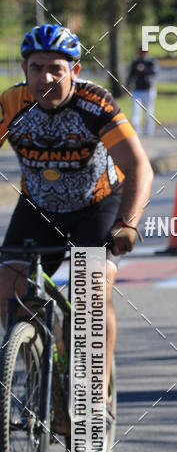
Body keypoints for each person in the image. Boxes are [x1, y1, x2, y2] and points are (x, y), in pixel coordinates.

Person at [0, 24, 153, 421]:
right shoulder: (12, 102)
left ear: (75, 70)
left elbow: (138, 166)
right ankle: (38, 365)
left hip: (96, 205)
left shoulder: (94, 104)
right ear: (25, 69)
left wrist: (129, 222)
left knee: (92, 291)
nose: (45, 78)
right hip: (39, 207)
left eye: (56, 68)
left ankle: (95, 393)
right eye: (36, 68)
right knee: (7, 285)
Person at [127, 47, 158, 136]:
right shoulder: (135, 62)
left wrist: (144, 69)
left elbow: (155, 72)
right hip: (137, 90)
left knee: (149, 111)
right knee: (135, 111)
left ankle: (149, 130)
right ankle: (136, 130)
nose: (143, 54)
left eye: (144, 52)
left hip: (148, 90)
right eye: (141, 52)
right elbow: (130, 76)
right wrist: (128, 88)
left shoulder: (151, 62)